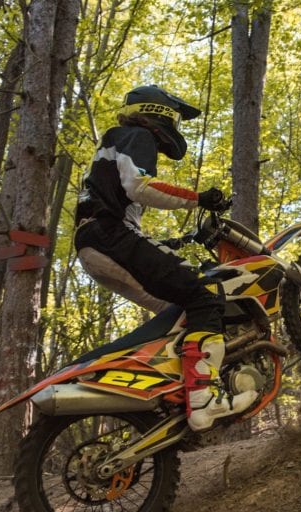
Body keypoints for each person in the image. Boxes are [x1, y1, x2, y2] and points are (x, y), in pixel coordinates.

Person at [74, 84, 256, 431]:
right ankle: (203, 399)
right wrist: (200, 198)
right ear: (160, 112)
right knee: (206, 294)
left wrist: (174, 243)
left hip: (95, 245)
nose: (177, 124)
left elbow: (122, 201)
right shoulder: (134, 135)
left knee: (178, 313)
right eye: (175, 116)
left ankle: (171, 394)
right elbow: (139, 187)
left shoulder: (114, 144)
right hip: (110, 236)